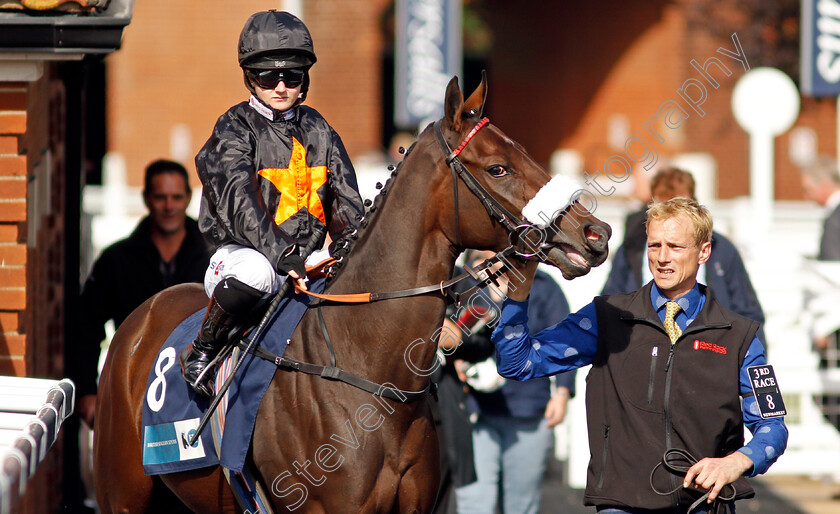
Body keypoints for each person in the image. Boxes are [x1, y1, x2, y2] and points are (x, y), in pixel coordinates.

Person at [493, 198, 788, 513]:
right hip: (621, 503)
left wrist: (738, 462)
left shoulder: (740, 335)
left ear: (704, 251)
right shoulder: (606, 316)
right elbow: (517, 362)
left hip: (703, 503)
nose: (662, 258)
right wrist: (518, 293)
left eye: (675, 247)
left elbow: (773, 425)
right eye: (654, 245)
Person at [181, 10, 364, 396]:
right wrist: (285, 254)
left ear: (304, 80)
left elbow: (348, 204)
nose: (280, 86)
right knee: (258, 272)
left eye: (291, 76)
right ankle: (203, 349)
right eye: (268, 76)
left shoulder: (321, 130)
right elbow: (239, 204)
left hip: (304, 261)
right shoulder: (232, 127)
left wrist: (353, 250)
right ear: (250, 76)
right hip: (240, 258)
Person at [72, 158, 212, 427]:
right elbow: (85, 328)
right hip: (132, 389)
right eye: (160, 197)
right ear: (146, 198)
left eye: (176, 197)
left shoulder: (216, 257)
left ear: (187, 198)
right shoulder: (116, 260)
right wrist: (88, 393)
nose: (169, 206)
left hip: (201, 391)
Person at [438, 250, 575, 514]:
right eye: (483, 254)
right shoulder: (463, 284)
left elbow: (565, 340)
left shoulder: (544, 286)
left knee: (521, 504)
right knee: (474, 503)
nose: (492, 259)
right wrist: (457, 360)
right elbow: (443, 332)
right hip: (476, 411)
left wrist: (562, 392)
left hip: (528, 411)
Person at [602, 166, 766, 345]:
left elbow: (749, 315)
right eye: (665, 208)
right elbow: (609, 307)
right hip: (643, 346)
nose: (663, 256)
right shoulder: (632, 247)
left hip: (709, 349)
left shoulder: (721, 250)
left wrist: (749, 364)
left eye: (679, 208)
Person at [800, 156, 840, 430]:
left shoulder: (834, 221)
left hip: (835, 321)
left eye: (808, 188)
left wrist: (823, 328)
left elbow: (831, 277)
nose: (806, 195)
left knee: (827, 393)